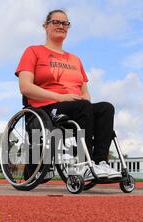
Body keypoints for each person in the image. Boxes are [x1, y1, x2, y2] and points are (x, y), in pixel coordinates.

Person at [15, 9, 121, 179]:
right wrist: (60, 97)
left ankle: (100, 163)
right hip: (47, 108)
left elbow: (85, 93)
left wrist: (81, 101)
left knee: (106, 108)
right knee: (83, 106)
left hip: (77, 106)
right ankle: (83, 164)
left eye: (65, 23)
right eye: (56, 22)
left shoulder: (75, 60)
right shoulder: (33, 51)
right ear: (45, 26)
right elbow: (25, 87)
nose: (61, 26)